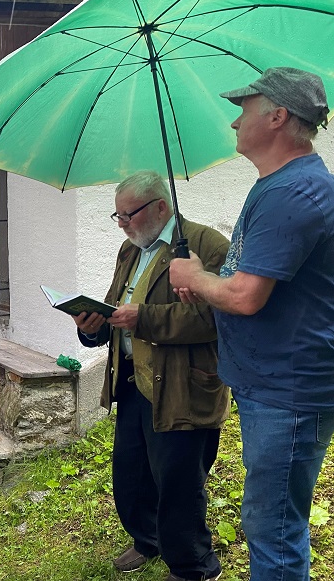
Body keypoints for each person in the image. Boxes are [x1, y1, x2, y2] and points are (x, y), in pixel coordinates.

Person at [169, 67, 334, 581]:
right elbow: (249, 275)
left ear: (278, 116)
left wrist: (197, 277)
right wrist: (208, 277)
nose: (234, 122)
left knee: (275, 529)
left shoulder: (295, 193)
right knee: (272, 519)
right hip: (270, 384)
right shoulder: (279, 184)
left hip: (288, 390)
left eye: (244, 109)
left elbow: (243, 297)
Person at [72, 172, 229, 581]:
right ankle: (148, 540)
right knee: (132, 473)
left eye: (129, 214)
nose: (122, 223)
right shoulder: (130, 250)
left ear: (161, 206)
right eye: (117, 215)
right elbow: (113, 308)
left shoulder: (206, 246)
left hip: (181, 386)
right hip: (133, 382)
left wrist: (141, 319)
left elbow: (213, 318)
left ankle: (194, 565)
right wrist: (93, 326)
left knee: (178, 482)